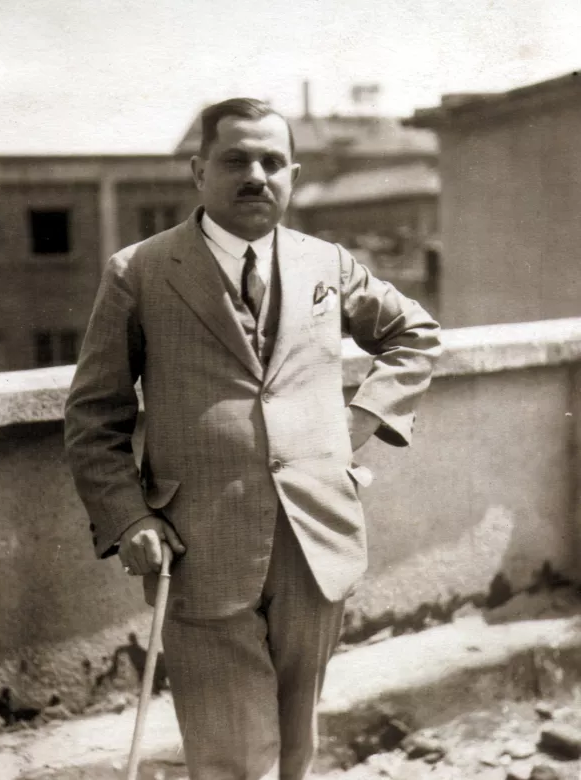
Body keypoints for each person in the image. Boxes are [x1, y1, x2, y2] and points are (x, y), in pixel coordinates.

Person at [64, 97, 442, 780]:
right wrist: (129, 517)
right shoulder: (140, 271)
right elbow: (95, 415)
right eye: (236, 159)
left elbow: (414, 334)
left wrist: (361, 420)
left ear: (293, 174)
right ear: (198, 171)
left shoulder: (325, 263)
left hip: (315, 540)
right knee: (231, 762)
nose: (257, 175)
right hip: (199, 546)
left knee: (296, 751)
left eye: (273, 161)